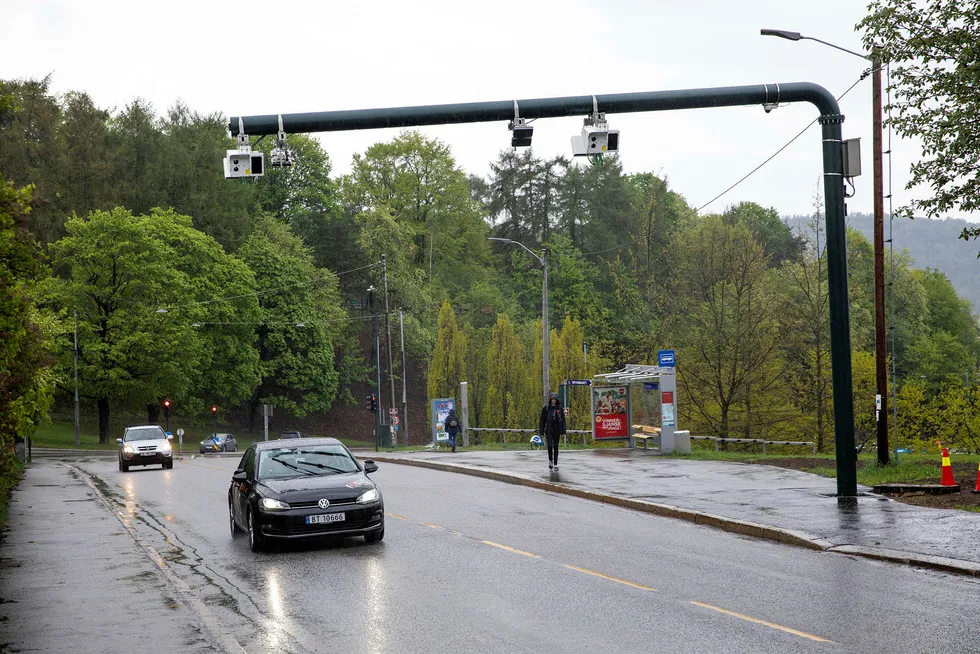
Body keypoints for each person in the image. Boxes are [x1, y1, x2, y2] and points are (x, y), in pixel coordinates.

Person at [538, 392, 566, 471]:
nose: (553, 401)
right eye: (552, 399)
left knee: (556, 446)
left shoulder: (559, 408)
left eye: (555, 399)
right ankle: (550, 460)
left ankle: (556, 464)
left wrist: (563, 431)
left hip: (557, 429)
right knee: (550, 445)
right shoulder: (546, 408)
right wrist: (541, 431)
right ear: (550, 400)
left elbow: (563, 420)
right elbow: (542, 421)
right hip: (549, 429)